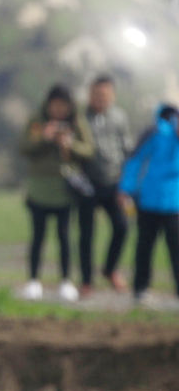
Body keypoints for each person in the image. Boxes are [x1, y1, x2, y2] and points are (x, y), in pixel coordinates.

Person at [19, 84, 94, 301]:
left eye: (63, 106)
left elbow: (89, 149)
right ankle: (33, 281)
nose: (59, 110)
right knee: (38, 236)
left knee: (64, 236)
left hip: (65, 189)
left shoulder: (76, 123)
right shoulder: (37, 121)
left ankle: (65, 281)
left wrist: (69, 144)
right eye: (55, 105)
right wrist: (45, 137)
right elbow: (24, 147)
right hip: (39, 189)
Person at [118, 103, 179, 303]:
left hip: (174, 203)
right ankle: (140, 288)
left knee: (176, 248)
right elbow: (135, 160)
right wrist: (126, 189)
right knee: (144, 247)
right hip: (149, 201)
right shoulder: (154, 133)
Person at [77, 75, 131, 296]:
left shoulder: (119, 117)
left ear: (112, 95)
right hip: (87, 183)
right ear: (89, 95)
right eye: (96, 94)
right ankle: (87, 281)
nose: (100, 99)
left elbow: (127, 149)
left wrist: (126, 185)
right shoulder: (80, 118)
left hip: (113, 182)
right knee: (86, 234)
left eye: (104, 94)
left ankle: (110, 269)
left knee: (122, 226)